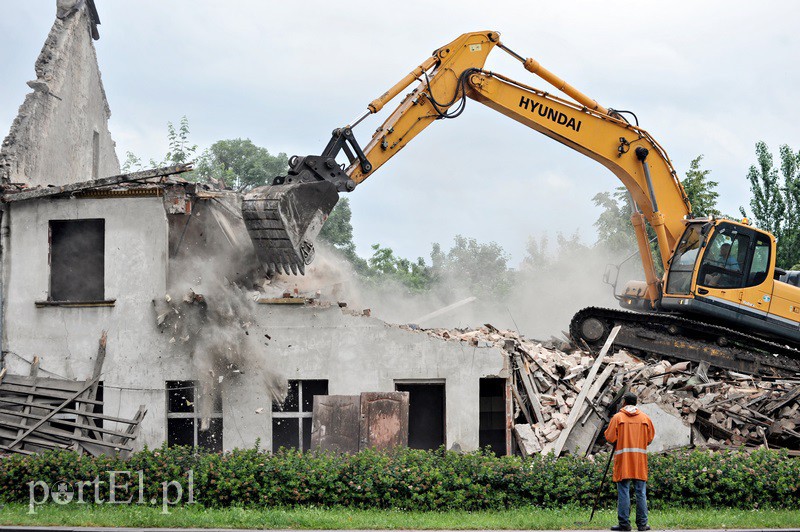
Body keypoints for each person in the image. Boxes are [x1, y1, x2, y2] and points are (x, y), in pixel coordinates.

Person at [604, 392, 655, 532]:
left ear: (625, 402)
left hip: (624, 460)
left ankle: (624, 524)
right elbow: (649, 439)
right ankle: (643, 524)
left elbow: (610, 437)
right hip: (639, 461)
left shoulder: (618, 417)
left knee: (624, 492)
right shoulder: (645, 418)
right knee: (641, 492)